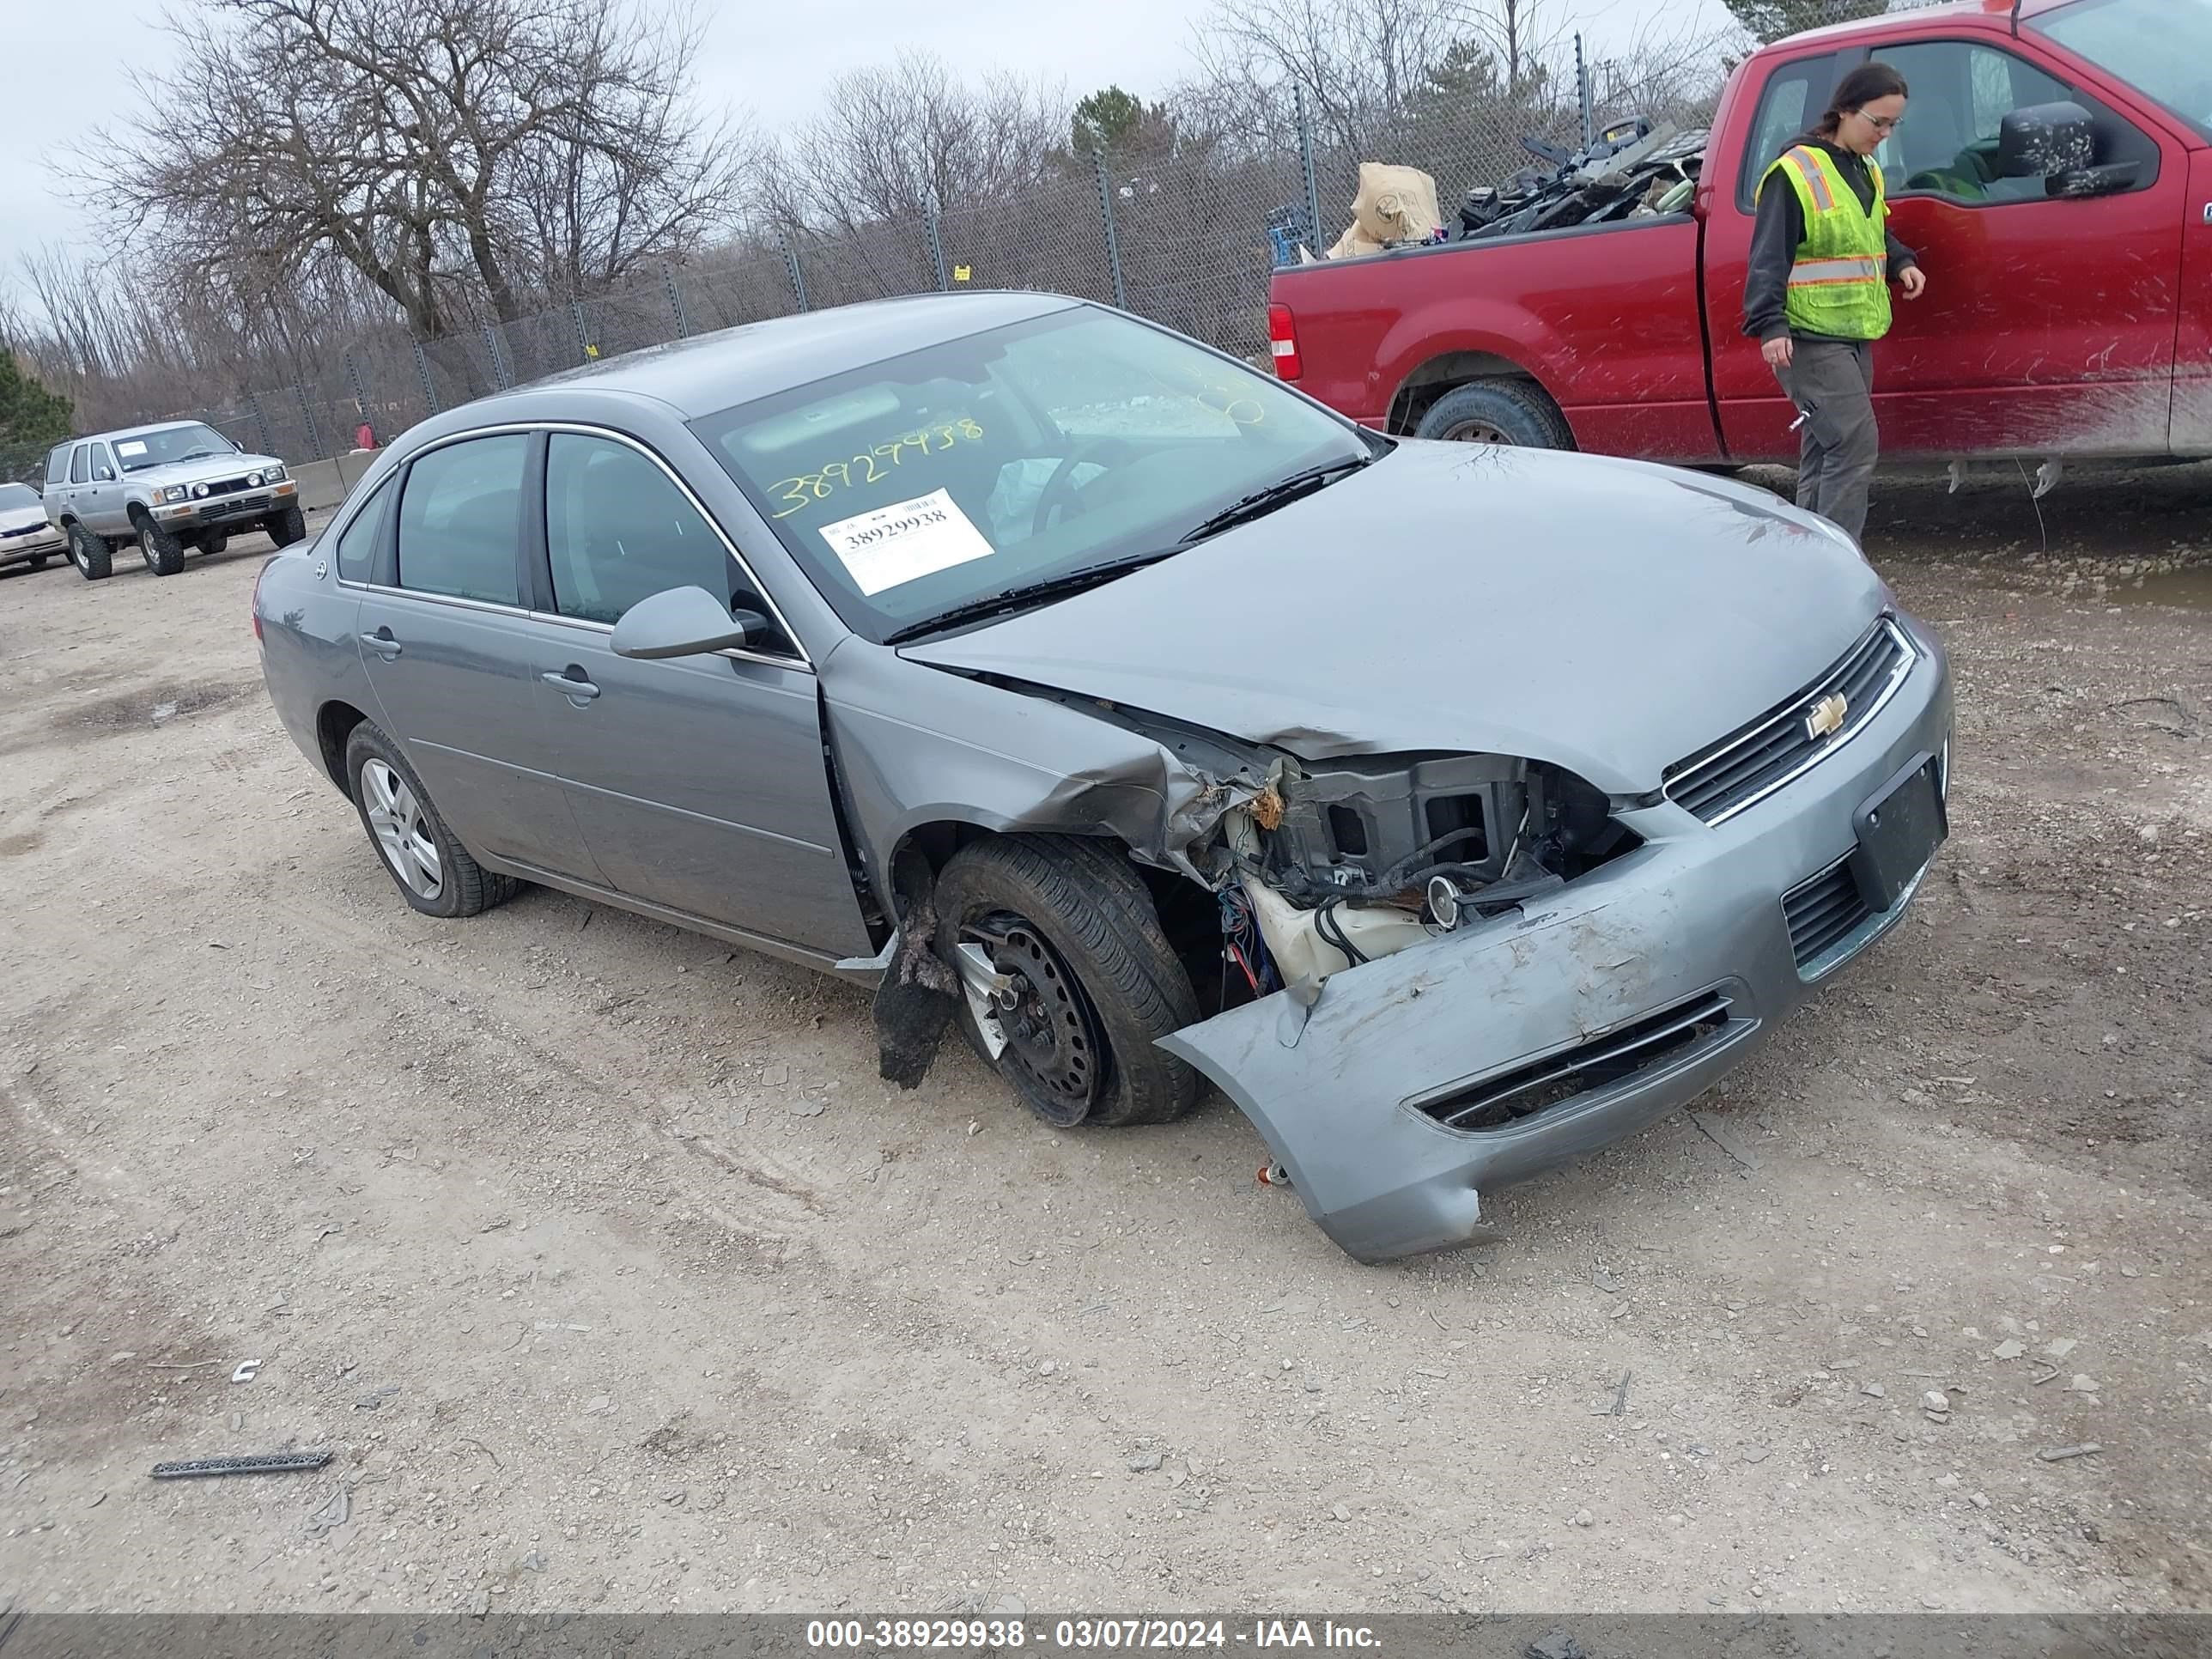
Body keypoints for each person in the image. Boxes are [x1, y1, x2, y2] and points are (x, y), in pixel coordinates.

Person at [1743, 63, 1929, 546]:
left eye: (1894, 125)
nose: (1885, 134)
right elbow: (1768, 255)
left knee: (1826, 449)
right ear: (1846, 111)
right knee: (1853, 442)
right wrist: (1769, 325)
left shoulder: (1863, 167)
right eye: (1878, 122)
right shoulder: (1796, 172)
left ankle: (1808, 555)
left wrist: (1900, 260)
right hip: (1807, 337)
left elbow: (1868, 231)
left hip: (1849, 331)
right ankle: (1840, 562)